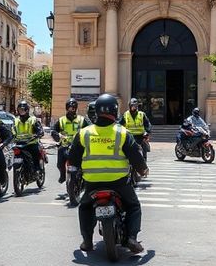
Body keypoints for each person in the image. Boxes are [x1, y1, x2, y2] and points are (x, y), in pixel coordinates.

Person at [68, 93, 148, 254]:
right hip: (118, 182)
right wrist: (143, 170)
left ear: (96, 111)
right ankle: (132, 238)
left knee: (84, 207)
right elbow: (135, 157)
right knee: (133, 206)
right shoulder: (122, 133)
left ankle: (87, 241)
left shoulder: (84, 133)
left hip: (92, 183)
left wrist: (74, 173)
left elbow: (73, 159)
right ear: (115, 111)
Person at [51, 98, 85, 183]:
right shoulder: (61, 120)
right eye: (69, 108)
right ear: (66, 108)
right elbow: (54, 130)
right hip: (65, 146)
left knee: (84, 162)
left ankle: (84, 177)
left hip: (78, 146)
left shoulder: (82, 119)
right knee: (59, 164)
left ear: (76, 108)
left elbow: (90, 129)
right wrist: (57, 135)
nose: (71, 110)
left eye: (73, 108)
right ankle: (62, 175)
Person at [14, 99, 43, 177]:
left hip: (31, 143)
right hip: (19, 143)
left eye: (23, 110)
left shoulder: (33, 119)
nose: (21, 112)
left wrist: (38, 133)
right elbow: (11, 131)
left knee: (35, 153)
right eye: (20, 110)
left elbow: (39, 130)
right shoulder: (16, 120)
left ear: (27, 110)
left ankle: (37, 169)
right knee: (14, 156)